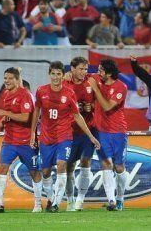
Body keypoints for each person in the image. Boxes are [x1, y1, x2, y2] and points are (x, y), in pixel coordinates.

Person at [30, 61, 100, 213]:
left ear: (63, 75)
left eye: (58, 74)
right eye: (53, 74)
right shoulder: (41, 91)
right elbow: (36, 112)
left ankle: (56, 203)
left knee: (62, 165)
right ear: (49, 74)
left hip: (64, 136)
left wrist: (91, 137)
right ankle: (50, 198)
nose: (55, 77)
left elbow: (77, 116)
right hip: (47, 138)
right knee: (46, 172)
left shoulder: (69, 93)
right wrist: (32, 134)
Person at [0, 67, 42, 213]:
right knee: (2, 168)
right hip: (9, 141)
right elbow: (7, 117)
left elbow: (25, 117)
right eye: (5, 78)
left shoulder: (25, 95)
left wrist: (4, 112)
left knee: (34, 172)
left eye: (10, 78)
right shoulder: (6, 94)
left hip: (26, 142)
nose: (7, 81)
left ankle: (38, 204)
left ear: (17, 80)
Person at [87, 59, 128, 211]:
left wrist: (95, 89)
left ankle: (120, 199)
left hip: (118, 132)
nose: (98, 73)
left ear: (109, 73)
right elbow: (81, 75)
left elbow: (107, 106)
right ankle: (111, 200)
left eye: (101, 71)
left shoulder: (121, 87)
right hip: (100, 131)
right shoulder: (97, 78)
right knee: (105, 164)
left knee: (119, 166)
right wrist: (67, 75)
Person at [63, 57, 97, 211]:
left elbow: (100, 101)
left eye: (85, 69)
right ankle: (69, 200)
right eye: (81, 69)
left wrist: (92, 107)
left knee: (85, 162)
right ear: (72, 69)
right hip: (69, 131)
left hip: (88, 129)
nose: (84, 72)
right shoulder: (65, 83)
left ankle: (80, 200)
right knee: (69, 166)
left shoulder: (91, 81)